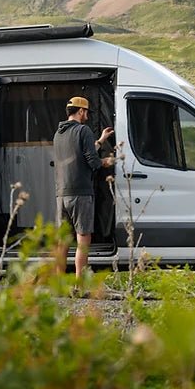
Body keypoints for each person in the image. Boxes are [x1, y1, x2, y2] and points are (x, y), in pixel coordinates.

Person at [53, 95, 114, 278]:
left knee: (62, 241)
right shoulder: (83, 130)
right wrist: (107, 161)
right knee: (83, 239)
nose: (87, 115)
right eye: (86, 112)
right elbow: (93, 162)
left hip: (61, 194)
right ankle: (80, 284)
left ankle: (59, 282)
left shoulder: (59, 134)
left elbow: (80, 152)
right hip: (81, 193)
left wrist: (101, 140)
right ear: (81, 111)